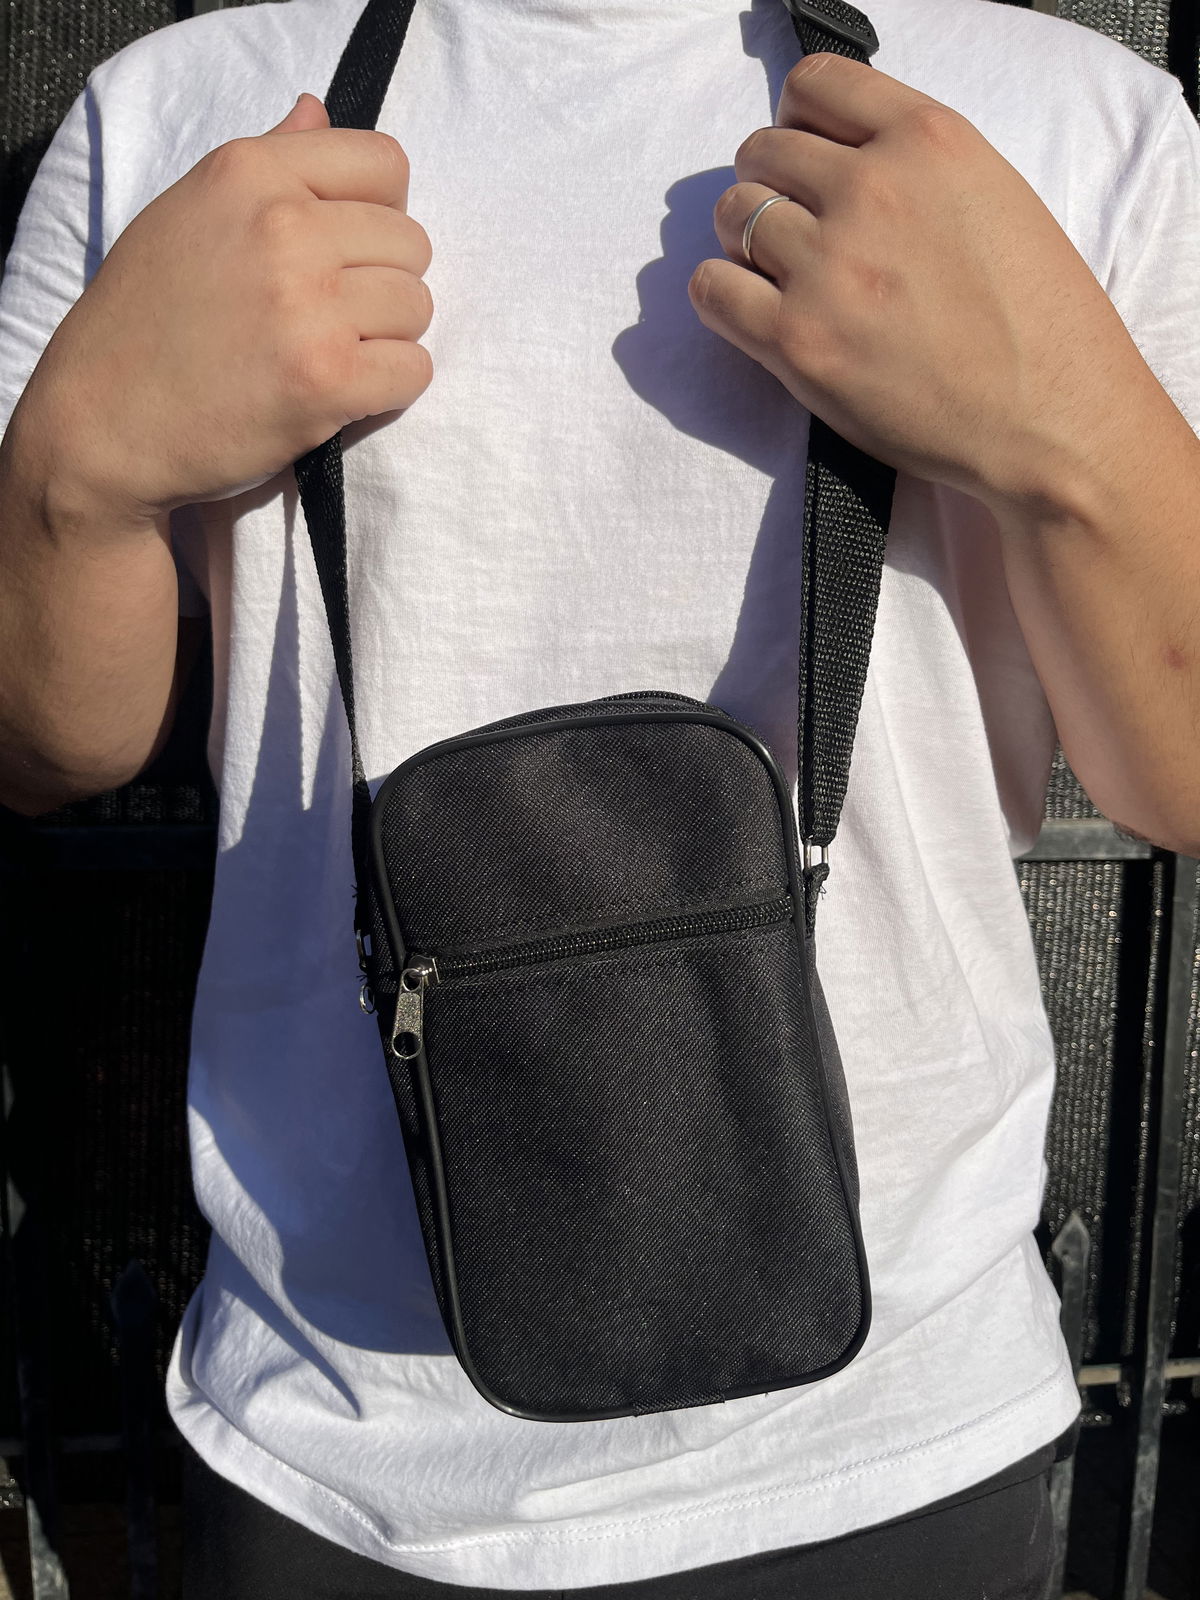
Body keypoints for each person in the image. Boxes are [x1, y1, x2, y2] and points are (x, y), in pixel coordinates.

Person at [1, 0, 1198, 1594]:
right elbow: (42, 751)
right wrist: (74, 474)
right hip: (336, 1440)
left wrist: (1071, 429)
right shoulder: (172, 111)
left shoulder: (1079, 120)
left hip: (900, 1428)